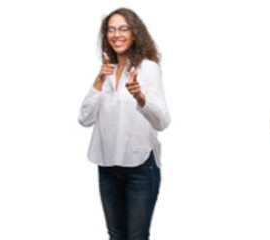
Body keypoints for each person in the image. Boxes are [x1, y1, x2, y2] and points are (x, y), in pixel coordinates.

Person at [77, 8, 171, 240]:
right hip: (107, 165)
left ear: (134, 33)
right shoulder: (107, 71)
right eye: (111, 29)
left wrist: (140, 97)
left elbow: (163, 121)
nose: (116, 34)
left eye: (122, 28)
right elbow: (84, 119)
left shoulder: (147, 68)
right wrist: (98, 81)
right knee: (116, 236)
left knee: (136, 236)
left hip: (139, 167)